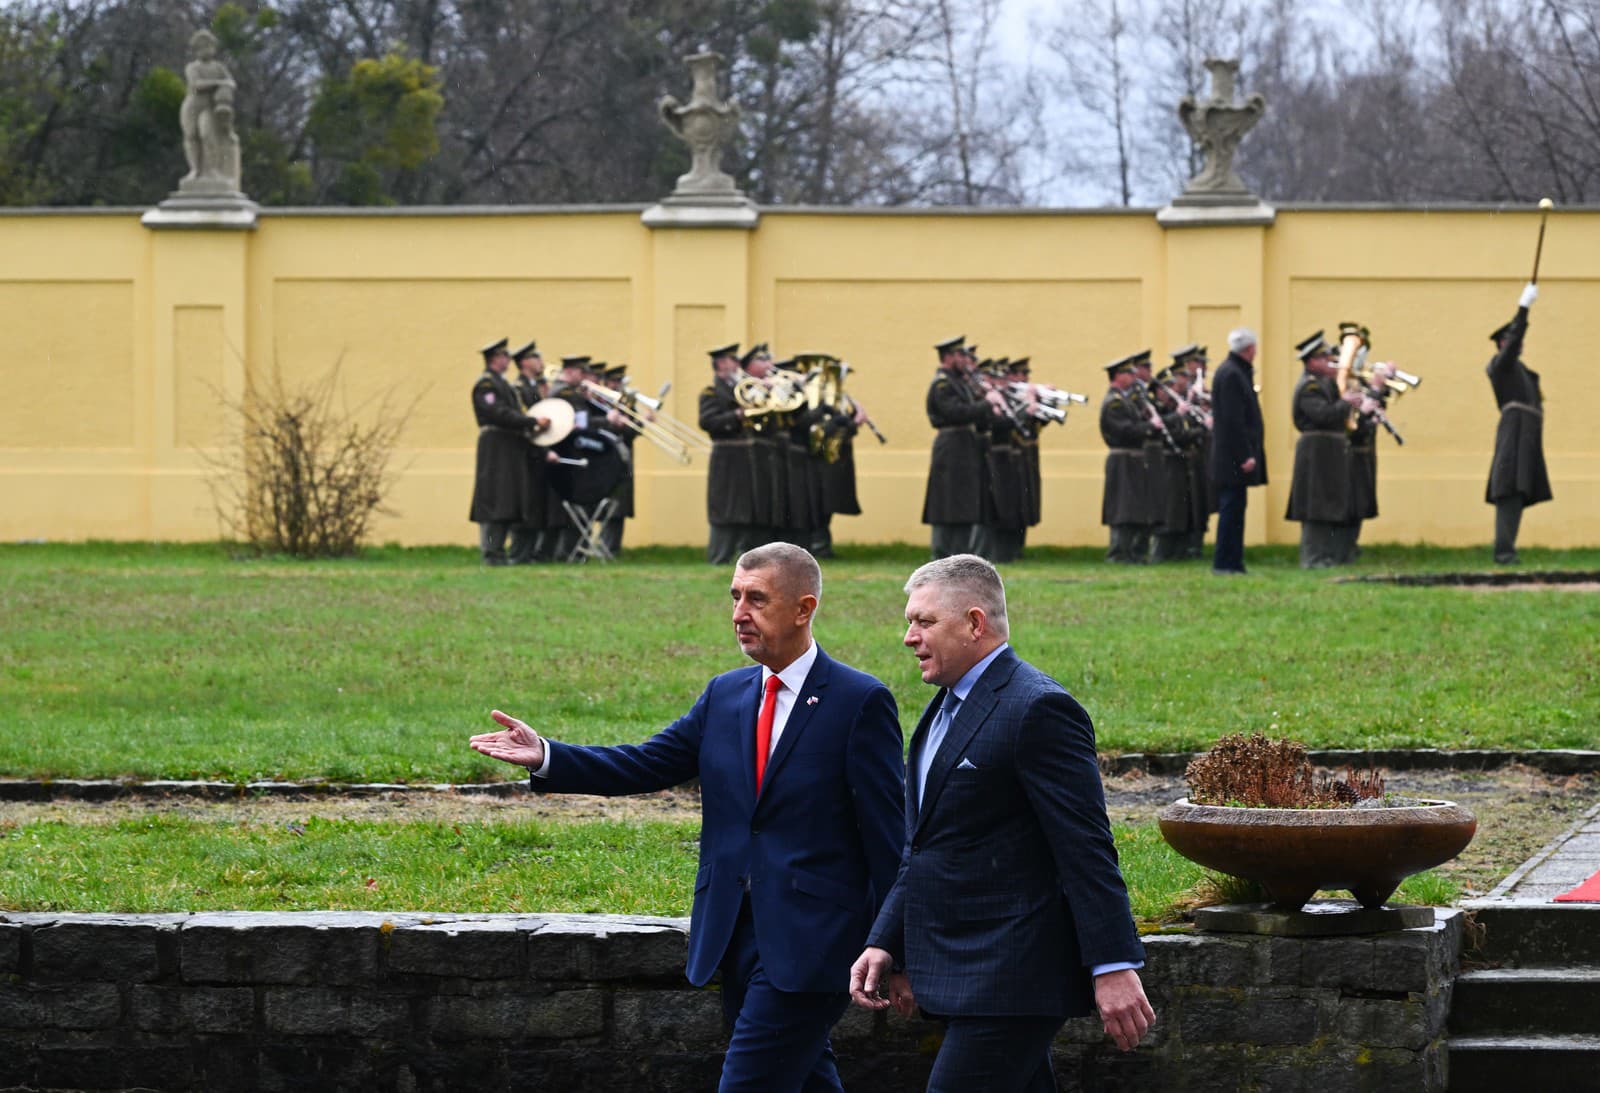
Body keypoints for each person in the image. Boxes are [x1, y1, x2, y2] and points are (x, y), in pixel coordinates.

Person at [470, 543, 905, 1091]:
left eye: (756, 599)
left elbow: (889, 835)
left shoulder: (859, 700)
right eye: (734, 597)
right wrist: (550, 756)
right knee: (808, 1079)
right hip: (732, 934)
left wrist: (897, 945)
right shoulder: (725, 695)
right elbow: (647, 762)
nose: (738, 613)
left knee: (747, 1083)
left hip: (814, 944)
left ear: (804, 608)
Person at [848, 554, 1154, 1092]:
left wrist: (1112, 964)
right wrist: (887, 940)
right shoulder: (942, 709)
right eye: (909, 621)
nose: (908, 637)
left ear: (974, 623)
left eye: (924, 622)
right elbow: (923, 846)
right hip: (966, 971)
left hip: (1015, 975)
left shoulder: (1038, 709)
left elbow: (1085, 849)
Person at [1486, 283, 1552, 564]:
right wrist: (1523, 308)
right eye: (1512, 340)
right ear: (1504, 344)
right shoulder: (1500, 365)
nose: (1519, 344)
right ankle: (1504, 552)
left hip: (1526, 433)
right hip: (1515, 432)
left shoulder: (1521, 370)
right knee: (1510, 489)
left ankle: (1508, 548)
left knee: (1519, 488)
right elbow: (1513, 344)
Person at [922, 337, 1004, 559]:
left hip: (964, 449)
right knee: (948, 506)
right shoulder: (942, 384)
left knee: (963, 507)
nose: (965, 360)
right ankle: (942, 558)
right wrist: (986, 403)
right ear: (948, 357)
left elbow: (974, 416)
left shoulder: (959, 382)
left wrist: (992, 408)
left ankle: (959, 558)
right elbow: (954, 412)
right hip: (951, 449)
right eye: (960, 355)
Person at [1284, 332, 1357, 568]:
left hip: (1328, 451)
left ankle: (1327, 555)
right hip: (1316, 451)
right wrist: (1348, 402)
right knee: (1316, 505)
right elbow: (1323, 415)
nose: (1331, 361)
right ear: (1312, 362)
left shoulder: (1327, 384)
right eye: (1325, 358)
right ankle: (1313, 558)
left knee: (1329, 503)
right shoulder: (1310, 387)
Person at [469, 338, 545, 565]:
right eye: (504, 356)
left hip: (508, 446)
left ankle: (499, 551)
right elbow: (498, 413)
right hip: (495, 447)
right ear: (495, 358)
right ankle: (491, 552)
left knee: (507, 501)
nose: (508, 360)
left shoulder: (503, 385)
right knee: (494, 501)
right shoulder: (486, 385)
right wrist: (531, 421)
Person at [1207, 327, 1266, 575]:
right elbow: (1233, 420)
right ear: (1250, 349)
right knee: (1231, 510)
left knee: (1235, 509)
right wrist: (1245, 454)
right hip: (1233, 458)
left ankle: (1233, 561)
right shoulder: (1232, 374)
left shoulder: (1233, 371)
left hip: (1231, 456)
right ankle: (1225, 562)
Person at [701, 343, 760, 564]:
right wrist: (736, 415)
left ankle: (745, 556)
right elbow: (707, 421)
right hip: (726, 457)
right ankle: (720, 555)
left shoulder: (743, 387)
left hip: (745, 458)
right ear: (721, 365)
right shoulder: (711, 392)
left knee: (745, 506)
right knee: (724, 508)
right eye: (732, 360)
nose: (737, 364)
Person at [1099, 354, 1157, 563]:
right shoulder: (1114, 403)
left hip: (1134, 461)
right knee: (1123, 509)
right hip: (1122, 460)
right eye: (1129, 372)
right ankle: (1119, 553)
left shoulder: (1129, 400)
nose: (1134, 376)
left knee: (1136, 508)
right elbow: (1125, 430)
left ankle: (1133, 553)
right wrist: (1151, 427)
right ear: (1118, 376)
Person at [508, 340, 553, 565]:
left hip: (538, 454)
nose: (541, 362)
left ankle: (531, 553)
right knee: (525, 505)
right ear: (525, 362)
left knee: (535, 505)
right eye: (536, 358)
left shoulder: (534, 388)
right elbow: (527, 421)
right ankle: (518, 554)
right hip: (527, 454)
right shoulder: (519, 389)